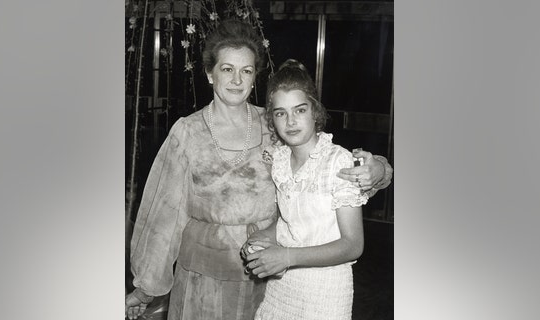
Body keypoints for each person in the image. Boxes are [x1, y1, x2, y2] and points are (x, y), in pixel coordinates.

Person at [125, 19, 393, 320]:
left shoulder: (276, 123)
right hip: (201, 282)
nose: (237, 80)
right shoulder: (187, 133)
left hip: (267, 280)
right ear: (209, 74)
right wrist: (146, 289)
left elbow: (328, 163)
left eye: (247, 71)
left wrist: (380, 170)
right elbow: (163, 217)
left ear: (255, 79)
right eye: (227, 69)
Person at [242, 59, 366, 319]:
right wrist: (263, 239)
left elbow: (353, 245)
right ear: (272, 119)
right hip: (283, 288)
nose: (290, 121)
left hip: (326, 291)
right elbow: (291, 224)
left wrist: (286, 256)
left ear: (315, 112)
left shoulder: (337, 160)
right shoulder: (278, 161)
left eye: (299, 110)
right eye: (280, 113)